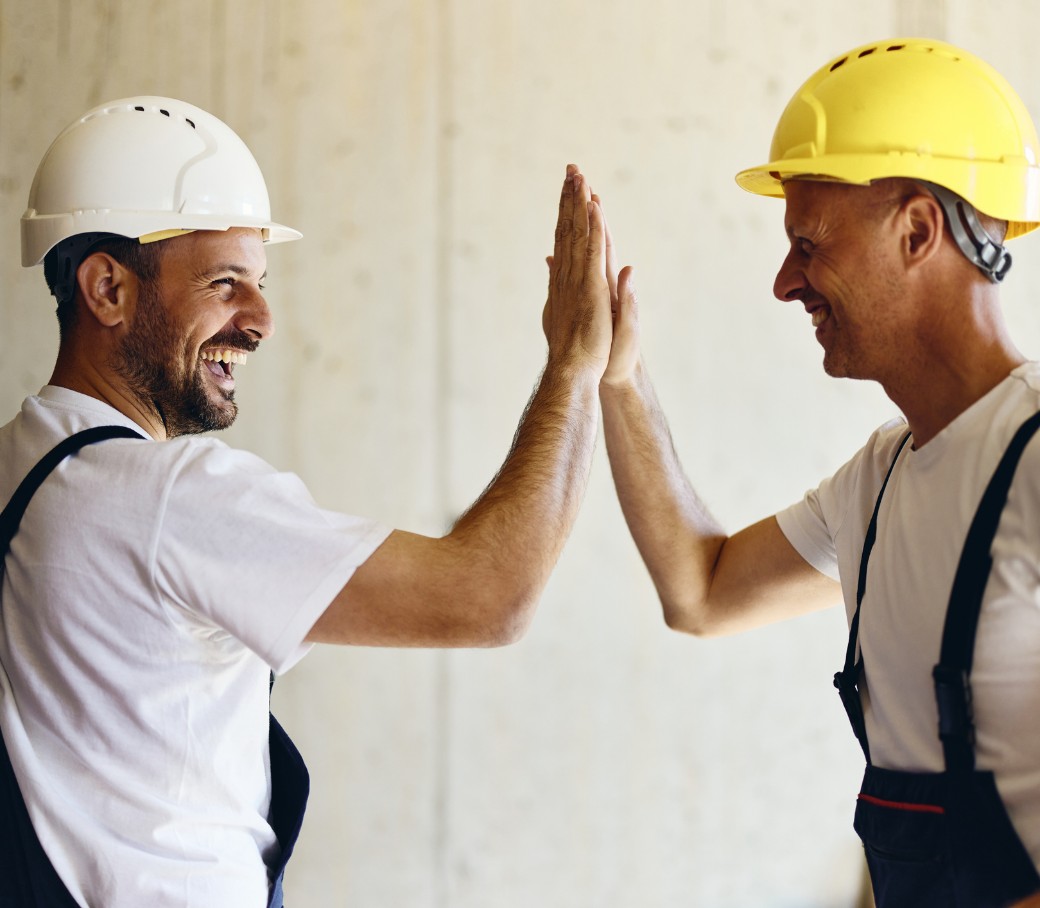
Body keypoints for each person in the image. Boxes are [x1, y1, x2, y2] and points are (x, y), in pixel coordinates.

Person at [0, 96, 611, 907]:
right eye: (225, 283)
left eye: (259, 282)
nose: (260, 320)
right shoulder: (168, 500)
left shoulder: (19, 460)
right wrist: (574, 365)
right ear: (106, 288)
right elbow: (489, 595)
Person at [597, 38, 1040, 908]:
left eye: (808, 242)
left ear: (917, 230)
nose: (784, 282)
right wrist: (616, 376)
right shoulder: (877, 480)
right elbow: (703, 591)